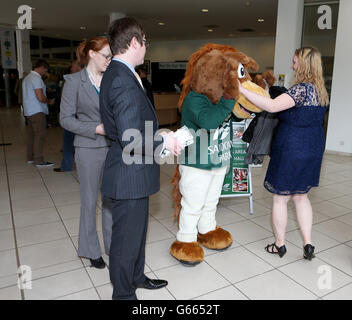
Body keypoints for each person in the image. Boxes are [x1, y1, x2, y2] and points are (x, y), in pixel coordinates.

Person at [100, 17, 183, 300]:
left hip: (133, 171)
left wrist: (158, 131)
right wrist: (165, 140)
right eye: (145, 41)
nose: (146, 47)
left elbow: (132, 125)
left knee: (136, 234)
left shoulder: (122, 72)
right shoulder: (122, 78)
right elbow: (128, 137)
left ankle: (136, 277)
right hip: (128, 174)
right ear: (134, 42)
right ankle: (123, 295)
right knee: (125, 241)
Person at [239, 47, 329, 261]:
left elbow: (271, 106)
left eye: (295, 61)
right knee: (301, 196)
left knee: (281, 198)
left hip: (292, 146)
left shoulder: (301, 90)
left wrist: (241, 90)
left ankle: (279, 245)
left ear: (304, 64)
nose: (292, 65)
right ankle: (308, 244)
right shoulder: (321, 90)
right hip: (313, 146)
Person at [60, 37, 113, 269]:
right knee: (90, 201)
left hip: (113, 148)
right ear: (92, 54)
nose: (109, 61)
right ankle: (91, 250)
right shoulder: (73, 82)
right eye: (106, 56)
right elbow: (65, 119)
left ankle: (112, 245)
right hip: (88, 148)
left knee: (111, 199)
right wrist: (95, 128)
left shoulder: (111, 80)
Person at [22, 59, 55, 167]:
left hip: (28, 111)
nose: (46, 73)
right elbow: (40, 97)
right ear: (42, 68)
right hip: (37, 111)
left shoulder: (27, 78)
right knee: (40, 136)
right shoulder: (36, 78)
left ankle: (30, 157)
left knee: (31, 135)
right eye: (45, 70)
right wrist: (49, 101)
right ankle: (39, 160)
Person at [54, 60, 84, 172]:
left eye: (73, 66)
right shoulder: (89, 79)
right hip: (83, 115)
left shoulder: (72, 80)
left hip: (72, 115)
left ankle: (66, 166)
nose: (71, 68)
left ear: (79, 67)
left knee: (68, 141)